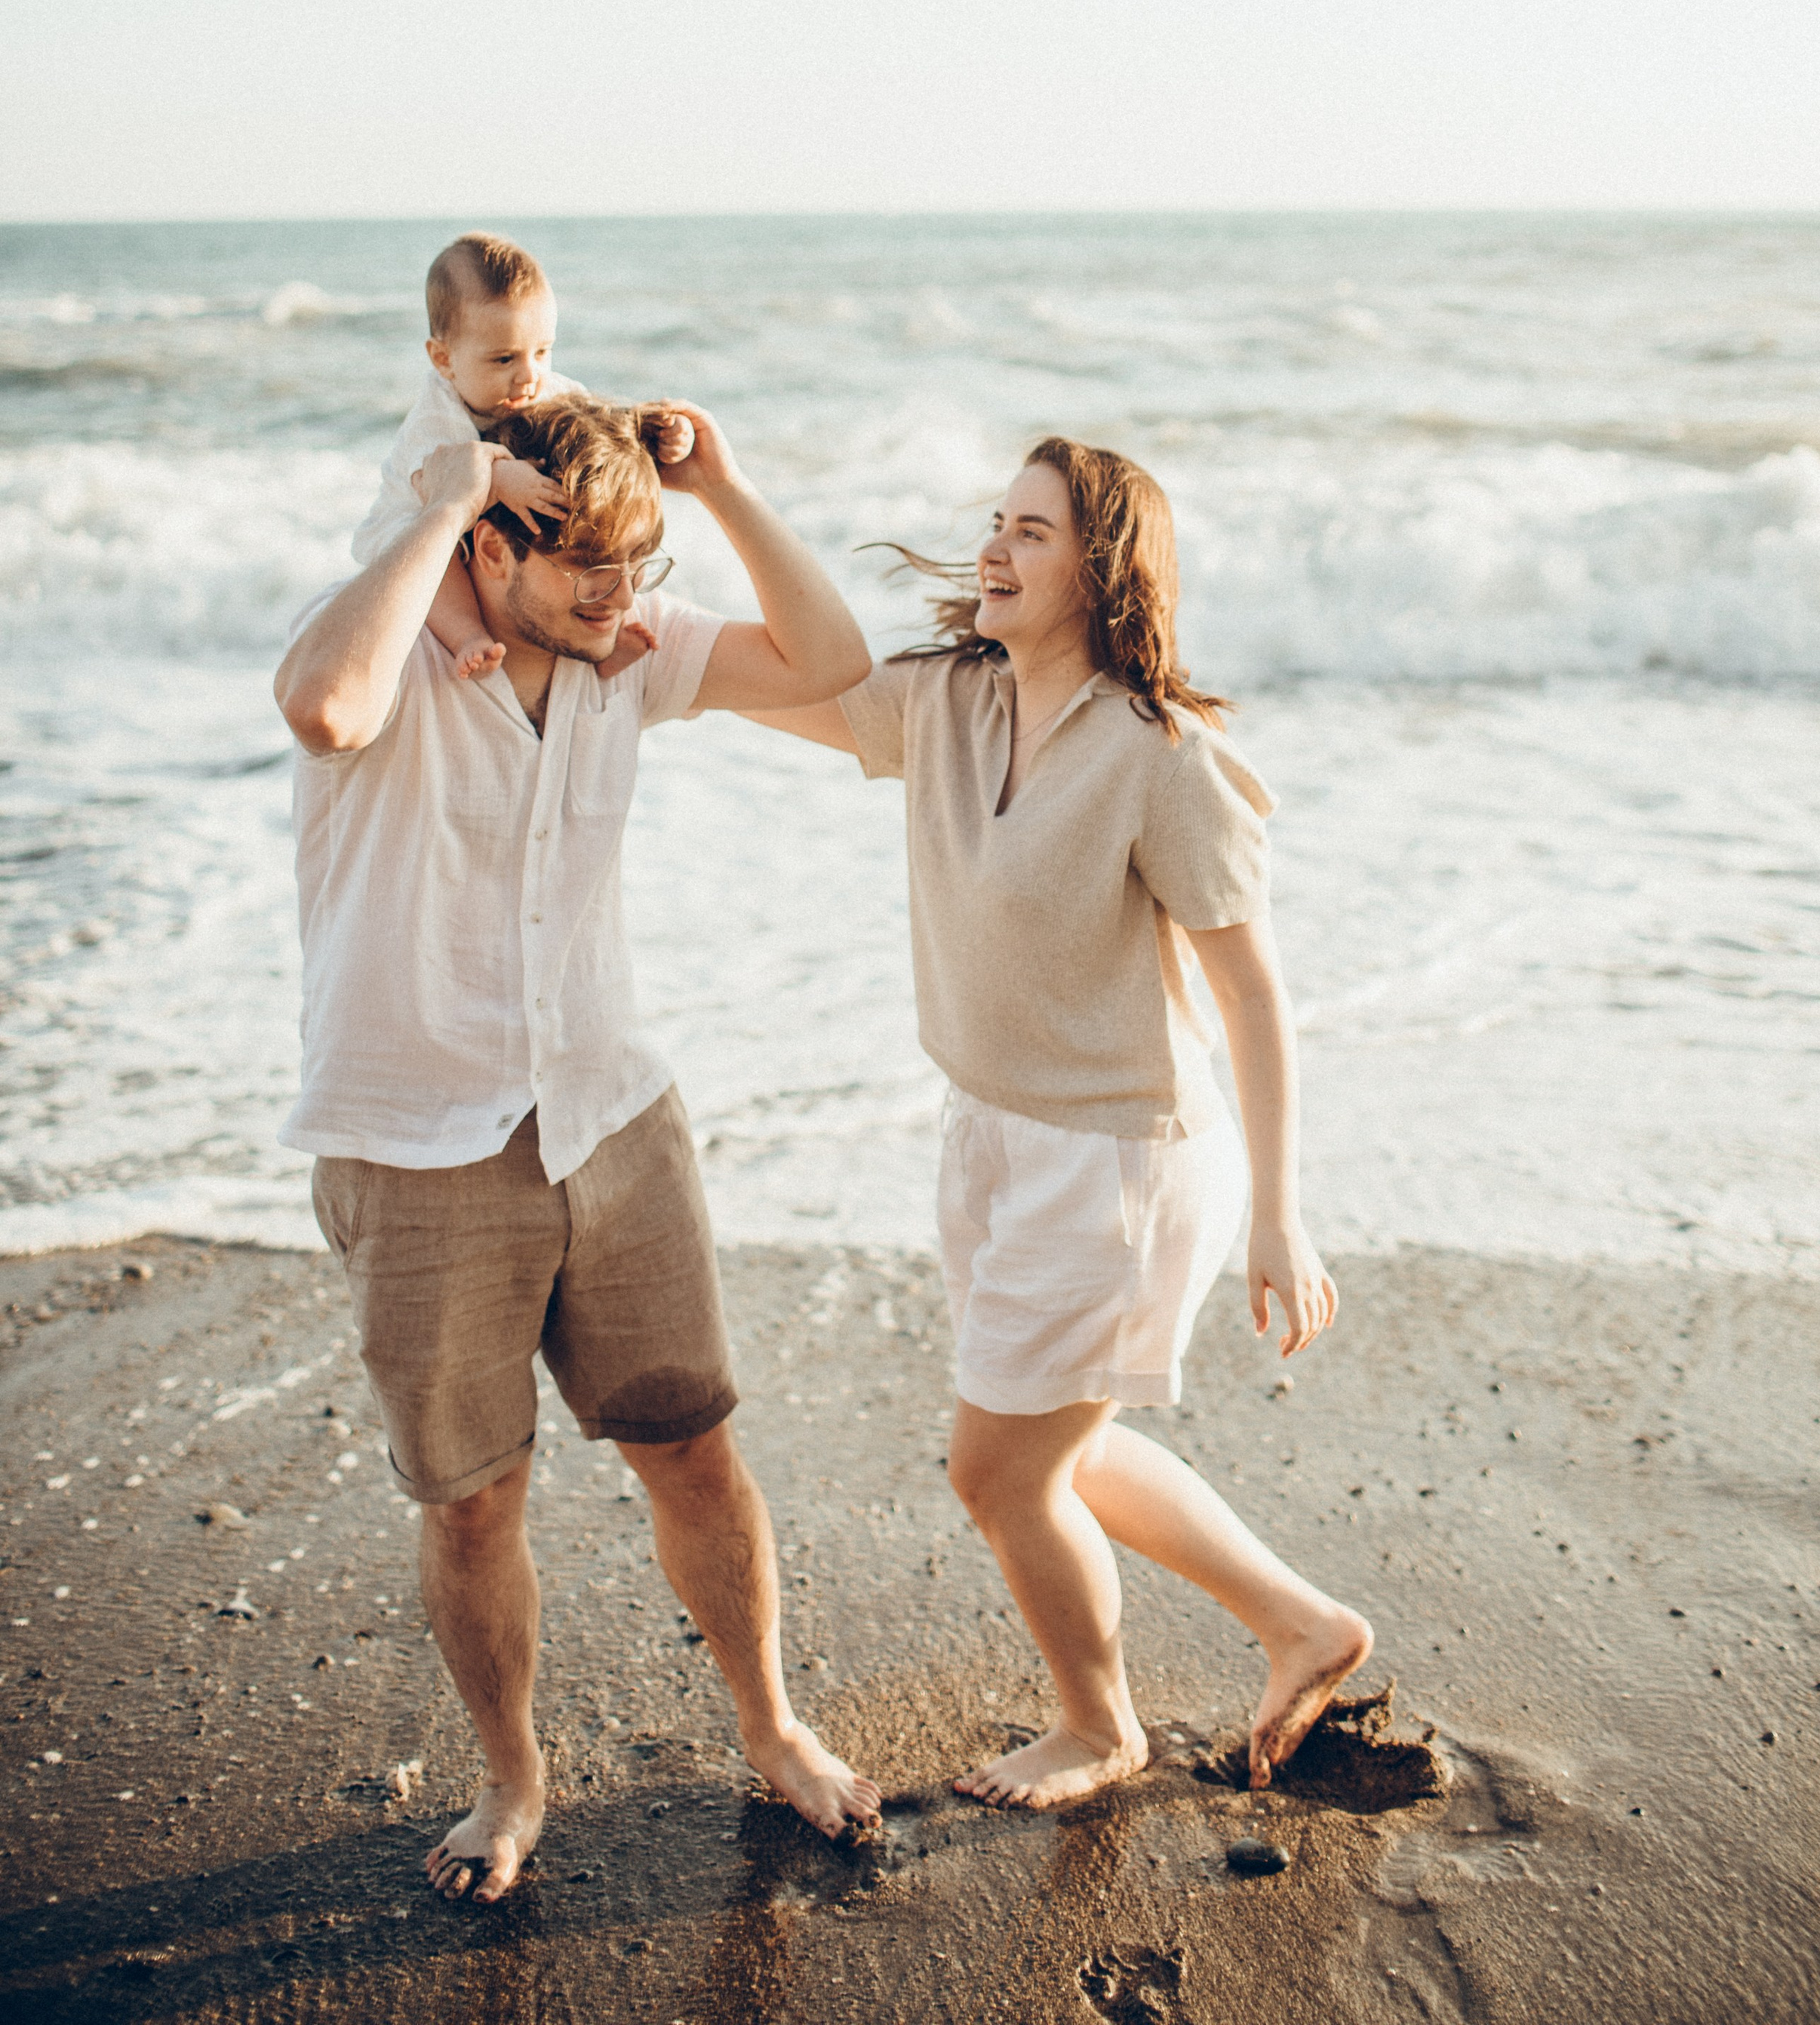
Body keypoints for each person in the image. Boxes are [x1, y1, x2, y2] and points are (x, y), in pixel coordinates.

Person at [275, 393, 881, 1901]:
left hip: (611, 1114)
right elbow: (319, 712)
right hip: (418, 1143)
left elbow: (833, 662)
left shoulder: (628, 652)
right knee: (473, 1496)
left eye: (640, 562)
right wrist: (434, 510)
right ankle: (513, 1780)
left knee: (692, 1445)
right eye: (585, 568)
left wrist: (726, 486)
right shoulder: (403, 647)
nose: (625, 598)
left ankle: (772, 1727)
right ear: (489, 543)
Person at [745, 436, 1372, 1810]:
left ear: (1100, 572)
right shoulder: (948, 704)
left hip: (1123, 1162)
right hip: (990, 1134)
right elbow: (772, 680)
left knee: (1000, 1472)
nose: (994, 549)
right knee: (1056, 1449)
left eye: (1032, 533)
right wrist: (675, 547)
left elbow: (1253, 998)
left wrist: (1281, 1214)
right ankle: (1302, 1626)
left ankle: (1101, 1729)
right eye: (995, 522)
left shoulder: (1165, 760)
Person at [352, 229, 693, 685]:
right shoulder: (436, 416)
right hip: (417, 522)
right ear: (444, 359)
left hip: (484, 534)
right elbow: (436, 483)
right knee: (438, 559)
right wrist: (500, 478)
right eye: (504, 360)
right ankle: (466, 636)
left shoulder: (543, 386)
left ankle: (598, 656)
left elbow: (600, 425)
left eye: (542, 352)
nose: (529, 377)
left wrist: (659, 430)